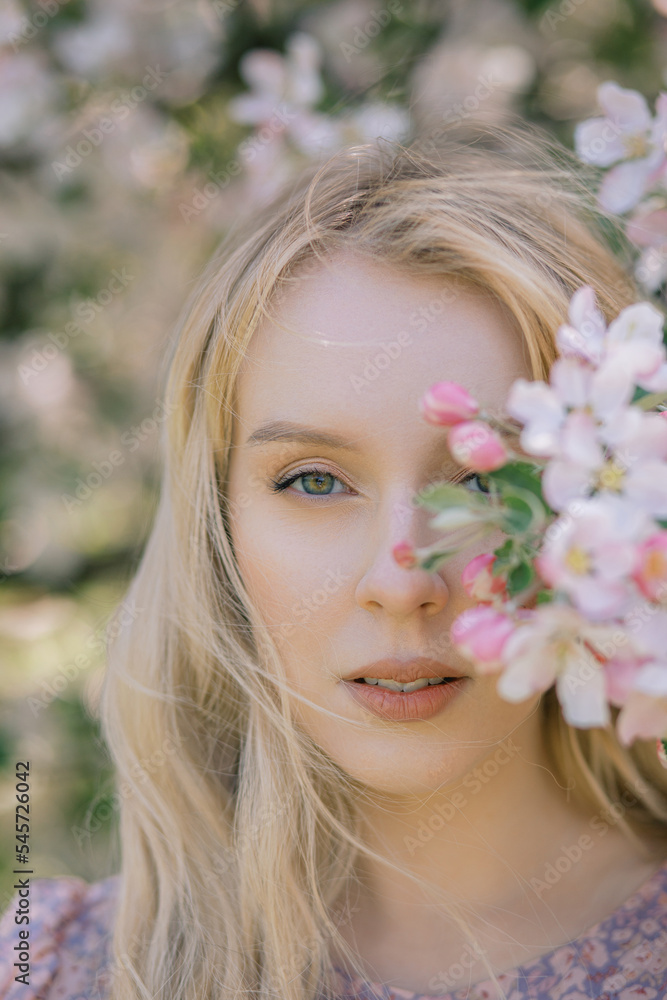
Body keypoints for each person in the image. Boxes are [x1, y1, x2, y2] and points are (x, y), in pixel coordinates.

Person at [2, 122, 667, 1000]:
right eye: (313, 480)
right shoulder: (50, 974)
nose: (400, 582)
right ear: (219, 523)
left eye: (481, 483)